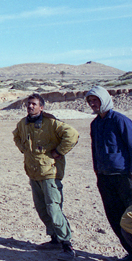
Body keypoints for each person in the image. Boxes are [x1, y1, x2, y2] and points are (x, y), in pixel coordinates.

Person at [12, 93, 79, 260]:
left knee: (54, 209)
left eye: (34, 104)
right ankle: (54, 239)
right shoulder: (23, 123)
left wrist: (58, 151)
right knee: (42, 210)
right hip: (33, 173)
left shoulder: (51, 123)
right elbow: (16, 136)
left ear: (41, 107)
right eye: (28, 104)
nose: (30, 107)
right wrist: (24, 149)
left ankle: (67, 244)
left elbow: (72, 135)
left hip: (50, 173)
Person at [87, 86, 132, 260]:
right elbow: (95, 150)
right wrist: (97, 171)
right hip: (105, 178)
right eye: (90, 101)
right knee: (113, 215)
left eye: (95, 100)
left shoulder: (120, 120)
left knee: (129, 217)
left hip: (124, 177)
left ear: (104, 99)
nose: (92, 104)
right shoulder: (95, 124)